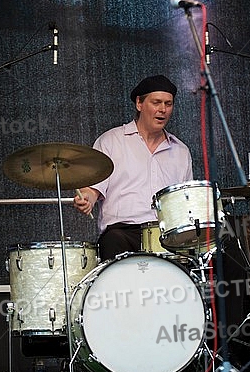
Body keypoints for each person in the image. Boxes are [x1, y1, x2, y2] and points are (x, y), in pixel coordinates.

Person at [73, 74, 193, 261]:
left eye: (168, 104)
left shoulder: (181, 151)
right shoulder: (111, 141)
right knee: (113, 240)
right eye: (156, 102)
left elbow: (186, 204)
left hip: (167, 234)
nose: (162, 110)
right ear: (139, 103)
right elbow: (92, 190)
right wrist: (86, 199)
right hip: (123, 232)